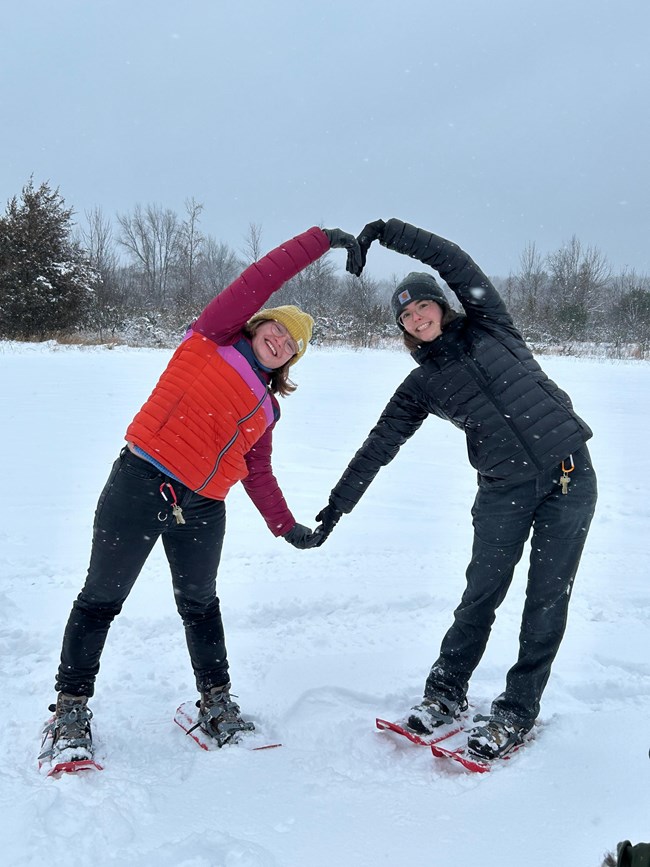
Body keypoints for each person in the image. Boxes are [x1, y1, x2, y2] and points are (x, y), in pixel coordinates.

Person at [41, 225, 362, 762]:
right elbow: (262, 276)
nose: (280, 342)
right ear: (259, 324)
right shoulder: (212, 336)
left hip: (204, 506)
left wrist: (287, 527)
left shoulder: (268, 408)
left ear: (291, 361)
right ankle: (70, 709)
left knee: (201, 603)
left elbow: (257, 473)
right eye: (277, 330)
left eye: (291, 346)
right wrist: (322, 240)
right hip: (142, 480)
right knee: (101, 598)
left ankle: (216, 701)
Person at [312, 218, 598, 760]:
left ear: (441, 305)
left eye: (423, 307)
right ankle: (445, 695)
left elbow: (452, 258)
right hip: (503, 488)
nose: (418, 318)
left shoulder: (492, 325)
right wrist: (336, 508)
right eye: (407, 317)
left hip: (568, 475)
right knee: (480, 595)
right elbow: (380, 444)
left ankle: (515, 712)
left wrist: (385, 232)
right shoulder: (422, 383)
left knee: (546, 599)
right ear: (403, 329)